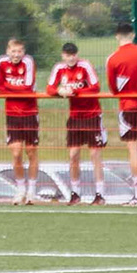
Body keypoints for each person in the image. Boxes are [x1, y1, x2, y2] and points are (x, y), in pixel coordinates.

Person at [43, 39, 105, 201]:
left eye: (73, 55)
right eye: (67, 55)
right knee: (73, 154)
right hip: (75, 117)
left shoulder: (85, 66)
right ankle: (75, 192)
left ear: (77, 55)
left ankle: (100, 194)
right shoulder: (59, 68)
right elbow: (49, 88)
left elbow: (95, 87)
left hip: (92, 115)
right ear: (63, 56)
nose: (70, 58)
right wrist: (60, 91)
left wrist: (75, 91)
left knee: (95, 154)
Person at [105, 20, 137, 198]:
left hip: (128, 106)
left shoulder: (113, 59)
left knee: (133, 148)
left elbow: (113, 88)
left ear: (117, 36)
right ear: (133, 34)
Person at [0, 36, 41, 202]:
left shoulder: (28, 62)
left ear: (23, 52)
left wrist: (9, 88)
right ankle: (20, 190)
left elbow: (28, 88)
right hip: (12, 113)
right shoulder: (2, 62)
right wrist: (15, 89)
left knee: (31, 151)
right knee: (16, 152)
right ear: (8, 51)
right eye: (13, 51)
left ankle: (32, 191)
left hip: (29, 112)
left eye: (19, 51)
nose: (16, 54)